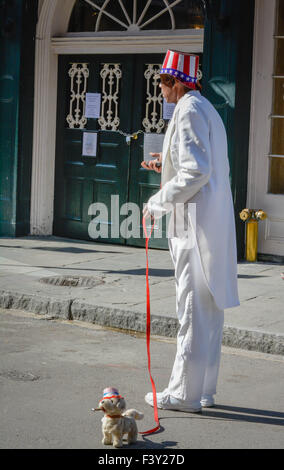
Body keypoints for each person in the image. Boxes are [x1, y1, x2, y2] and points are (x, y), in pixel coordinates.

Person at [141, 50, 240, 413]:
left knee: (192, 308)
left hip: (193, 226)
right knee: (207, 310)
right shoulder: (206, 109)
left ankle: (183, 394)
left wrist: (155, 202)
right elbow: (196, 166)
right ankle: (202, 390)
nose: (161, 89)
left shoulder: (188, 110)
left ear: (177, 82)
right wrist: (163, 168)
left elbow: (196, 172)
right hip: (205, 223)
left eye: (163, 82)